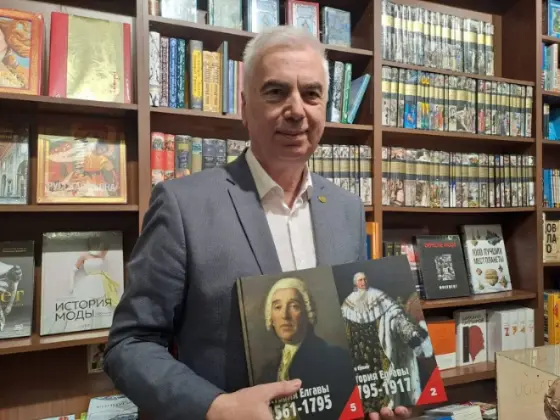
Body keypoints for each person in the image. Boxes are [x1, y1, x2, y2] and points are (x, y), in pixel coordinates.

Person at [103, 25, 411, 420]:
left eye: (311, 94)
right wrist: (215, 407)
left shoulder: (346, 209)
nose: (296, 110)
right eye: (276, 92)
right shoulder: (183, 205)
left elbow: (349, 332)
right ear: (245, 108)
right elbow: (129, 344)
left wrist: (379, 394)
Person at [258, 277, 356, 419]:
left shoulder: (336, 359)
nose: (285, 315)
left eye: (294, 306)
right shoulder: (268, 370)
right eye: (277, 307)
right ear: (271, 318)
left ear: (307, 313)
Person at [341, 272, 434, 411]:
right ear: (355, 283)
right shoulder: (348, 303)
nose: (363, 282)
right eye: (360, 280)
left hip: (383, 357)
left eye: (365, 279)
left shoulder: (380, 297)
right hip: (361, 363)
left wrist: (413, 335)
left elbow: (396, 316)